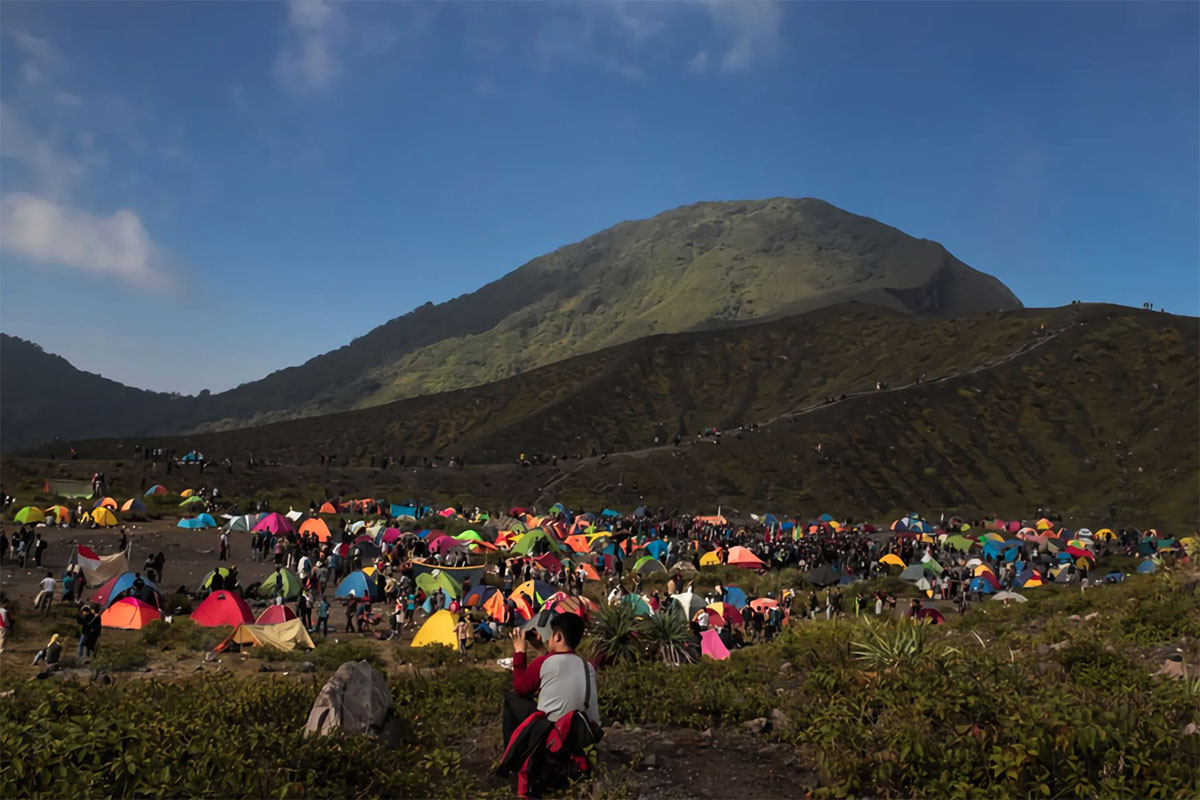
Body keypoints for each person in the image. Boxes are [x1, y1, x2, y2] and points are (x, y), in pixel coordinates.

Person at [502, 613, 599, 745]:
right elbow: (558, 669)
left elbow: (520, 688)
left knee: (511, 698)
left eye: (552, 634)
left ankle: (513, 756)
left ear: (558, 637)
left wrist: (519, 652)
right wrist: (541, 648)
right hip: (583, 735)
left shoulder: (544, 662)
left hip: (553, 735)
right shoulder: (588, 666)